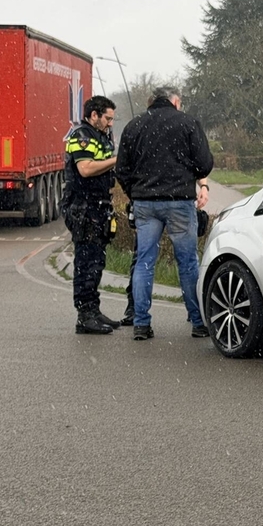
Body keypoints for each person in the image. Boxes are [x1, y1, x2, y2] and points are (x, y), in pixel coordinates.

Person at [115, 86, 214, 341]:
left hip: (145, 204)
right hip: (180, 202)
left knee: (144, 262)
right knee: (188, 262)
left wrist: (135, 192)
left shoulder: (134, 126)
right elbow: (204, 164)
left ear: (151, 102)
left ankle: (141, 323)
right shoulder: (188, 123)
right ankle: (198, 321)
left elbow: (122, 169)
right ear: (176, 102)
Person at [60, 95, 121, 335]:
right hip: (82, 206)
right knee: (85, 262)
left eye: (113, 119)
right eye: (107, 118)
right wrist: (117, 160)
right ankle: (84, 315)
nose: (110, 123)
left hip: (99, 205)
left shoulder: (102, 136)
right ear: (93, 115)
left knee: (97, 261)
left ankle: (93, 310)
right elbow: (85, 169)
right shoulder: (81, 136)